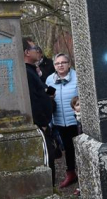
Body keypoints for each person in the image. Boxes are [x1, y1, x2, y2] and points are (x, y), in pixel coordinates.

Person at [23, 37, 56, 184]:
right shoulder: (26, 73)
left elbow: (40, 92)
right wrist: (42, 122)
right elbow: (32, 100)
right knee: (47, 161)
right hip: (39, 125)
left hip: (43, 123)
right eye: (34, 48)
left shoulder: (33, 71)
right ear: (26, 52)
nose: (38, 50)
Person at [45, 53, 79, 189]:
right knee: (68, 149)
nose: (60, 65)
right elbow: (49, 99)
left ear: (69, 64)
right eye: (57, 63)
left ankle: (84, 176)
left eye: (63, 62)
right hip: (59, 121)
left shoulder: (77, 77)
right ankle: (71, 174)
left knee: (80, 149)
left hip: (76, 121)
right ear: (54, 66)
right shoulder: (50, 80)